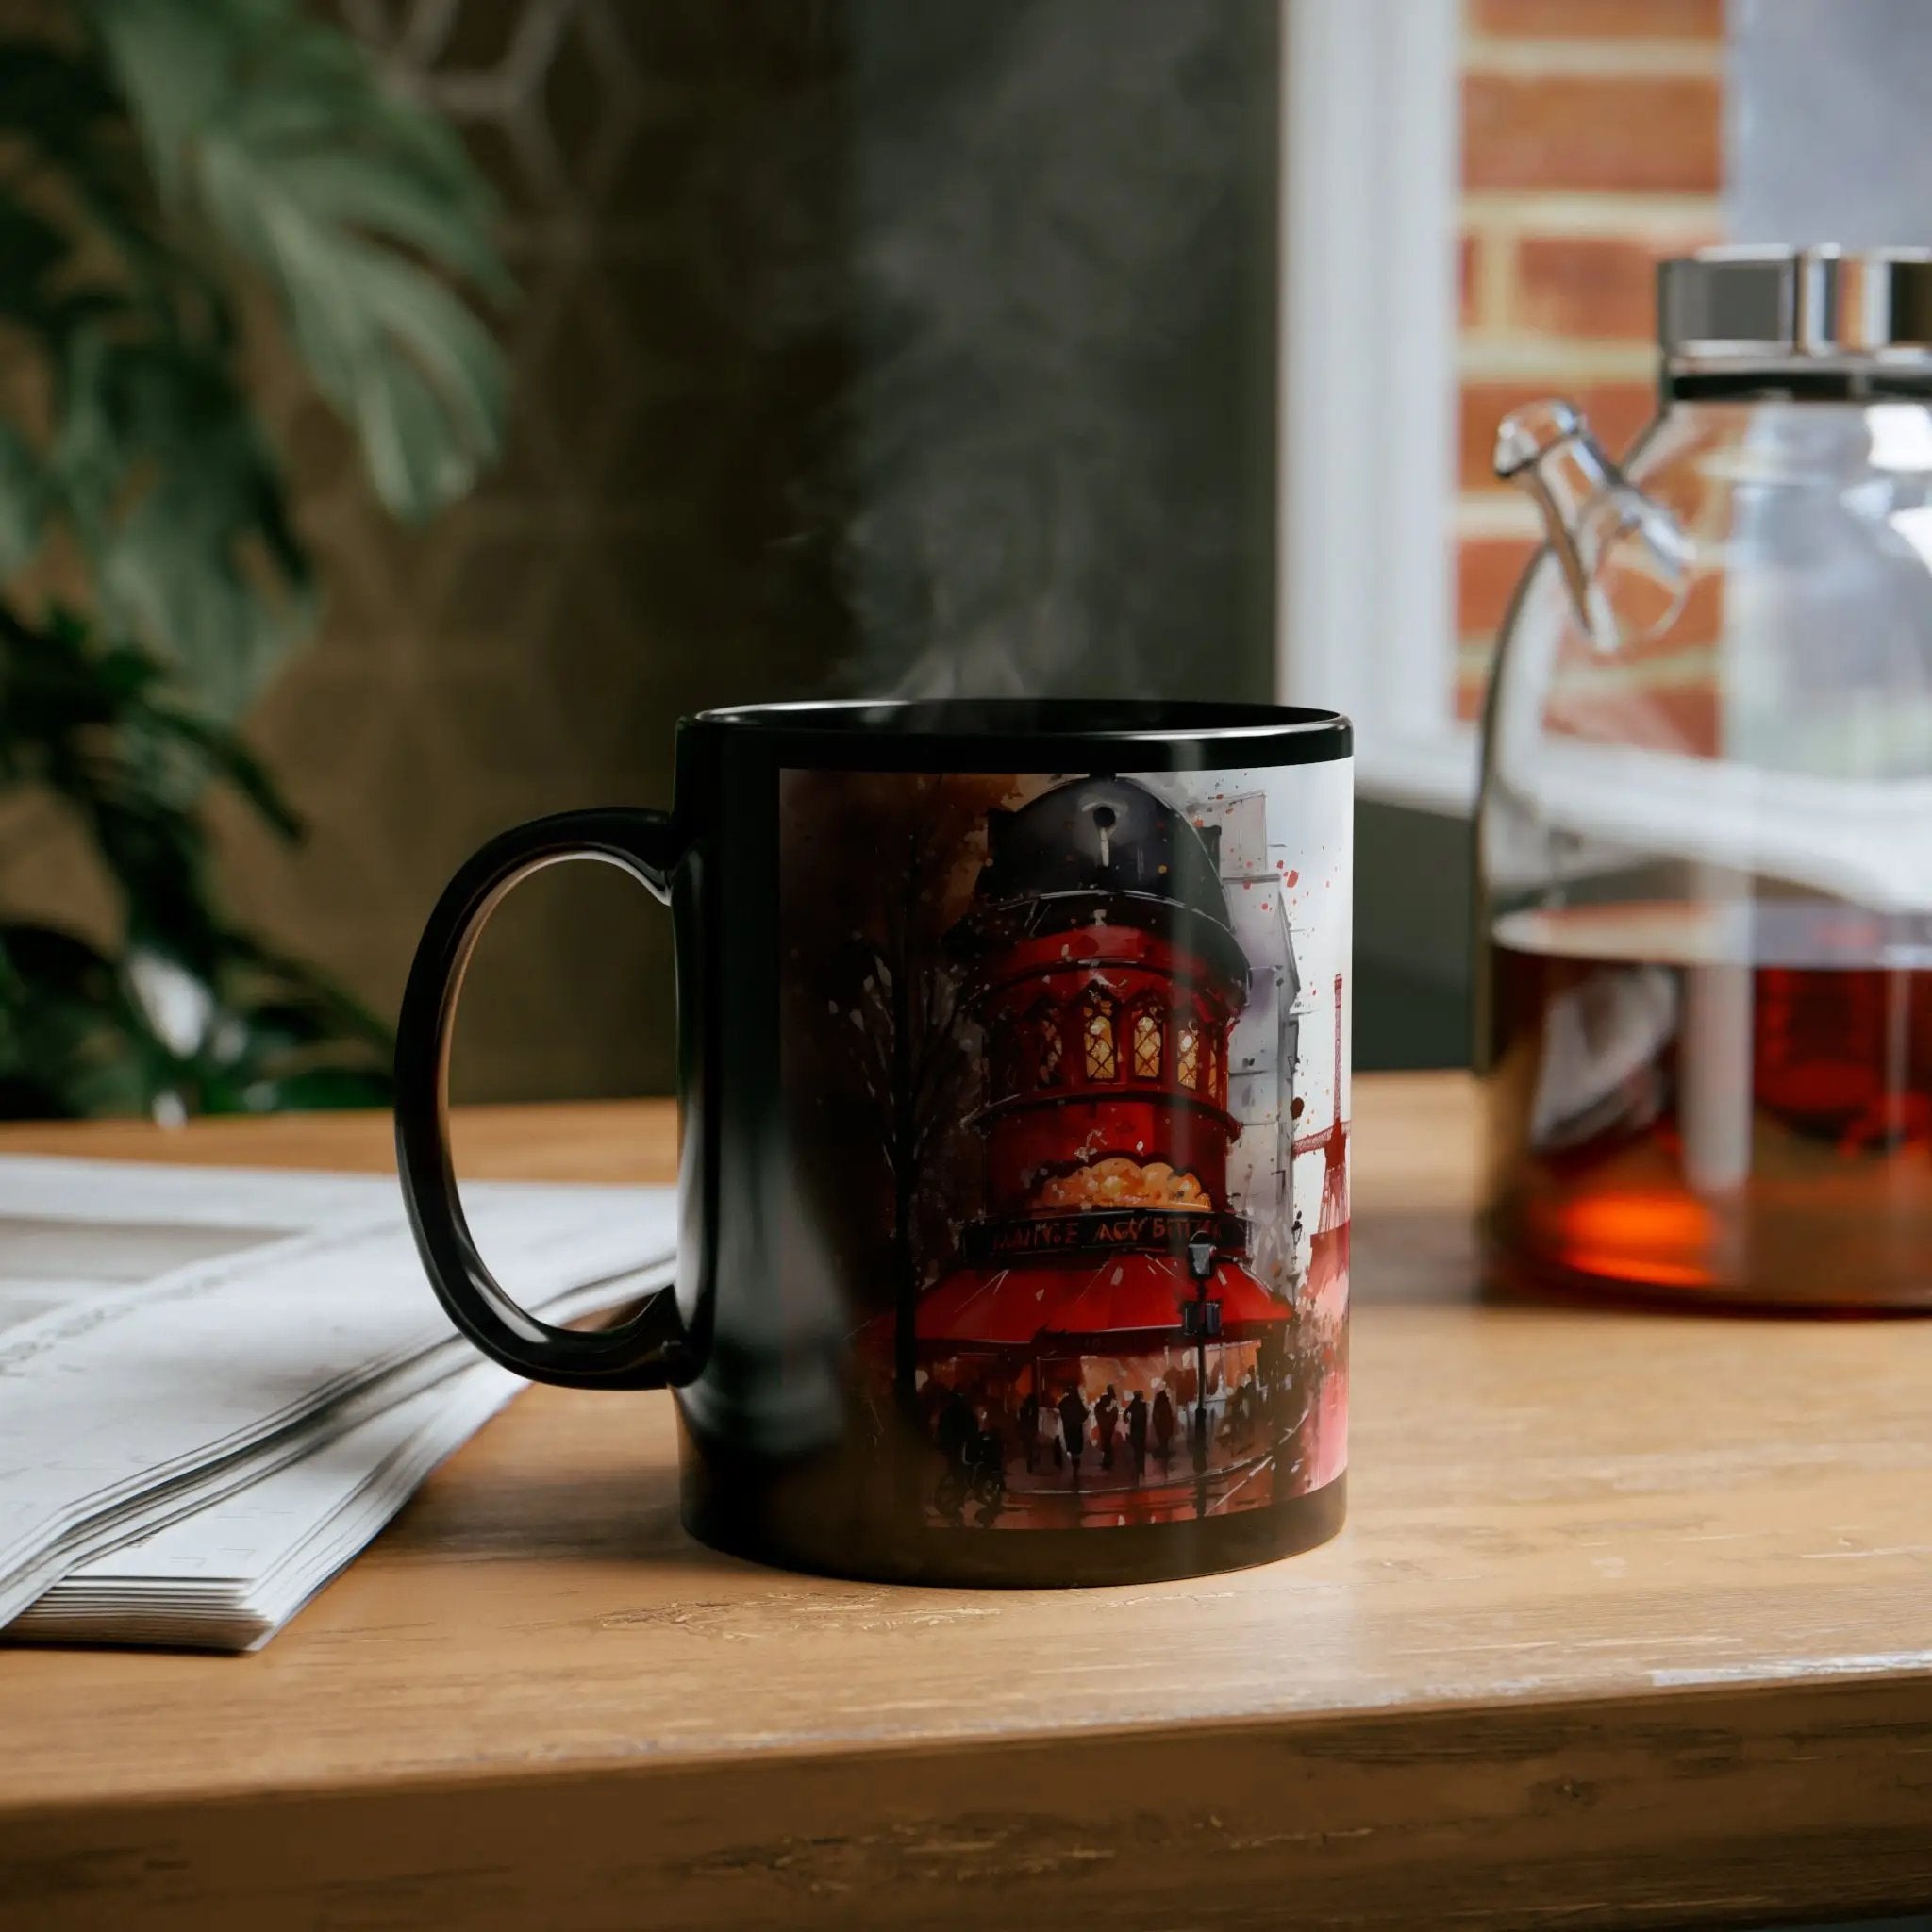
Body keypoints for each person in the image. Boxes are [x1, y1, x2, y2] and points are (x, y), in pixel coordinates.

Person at [1057, 1384, 1089, 1487]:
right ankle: (1075, 1467)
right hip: (1076, 1428)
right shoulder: (1077, 1402)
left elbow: (1060, 1408)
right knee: (1076, 1449)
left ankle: (1074, 1465)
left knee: (1071, 1447)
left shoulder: (1065, 1402)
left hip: (1069, 1428)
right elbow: (1083, 1415)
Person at [1093, 1385, 1120, 1473]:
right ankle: (1108, 1462)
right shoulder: (1113, 1400)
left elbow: (1103, 1410)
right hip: (1109, 1425)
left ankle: (1107, 1462)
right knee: (1107, 1442)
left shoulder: (1105, 1399)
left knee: (1106, 1442)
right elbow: (1113, 1413)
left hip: (1104, 1425)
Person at [1125, 1389, 1149, 1481]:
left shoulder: (1133, 1404)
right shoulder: (1143, 1405)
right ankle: (1141, 1470)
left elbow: (1125, 1414)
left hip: (1135, 1431)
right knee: (1141, 1452)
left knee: (1136, 1451)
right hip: (1142, 1431)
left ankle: (1137, 1470)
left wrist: (1127, 1420)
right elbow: (1145, 1418)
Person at [1152, 1385, 1175, 1472]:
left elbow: (1155, 1417)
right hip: (1166, 1429)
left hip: (1161, 1429)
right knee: (1165, 1445)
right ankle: (1165, 1464)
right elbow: (1169, 1417)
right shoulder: (1166, 1403)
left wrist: (1157, 1426)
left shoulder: (1158, 1404)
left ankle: (1164, 1464)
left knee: (1163, 1445)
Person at [1018, 1388, 1041, 1473]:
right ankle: (1031, 1462)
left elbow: (1021, 1420)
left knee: (1028, 1447)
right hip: (1031, 1430)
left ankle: (1030, 1462)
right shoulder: (1034, 1410)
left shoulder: (1024, 1410)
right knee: (1031, 1446)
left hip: (1026, 1430)